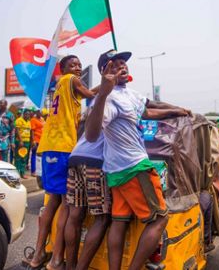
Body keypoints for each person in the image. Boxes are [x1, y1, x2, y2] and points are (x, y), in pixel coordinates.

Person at [85, 49, 189, 270]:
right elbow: (92, 135)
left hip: (117, 171)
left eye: (124, 63)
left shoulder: (129, 94)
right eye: (115, 65)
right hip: (134, 167)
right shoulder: (109, 99)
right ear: (105, 72)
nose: (123, 67)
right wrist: (102, 94)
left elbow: (148, 112)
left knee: (119, 221)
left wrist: (177, 110)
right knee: (160, 219)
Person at [25, 55, 98, 270]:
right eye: (72, 64)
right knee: (67, 202)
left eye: (79, 65)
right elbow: (93, 94)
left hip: (49, 147)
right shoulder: (70, 80)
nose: (77, 67)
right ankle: (56, 259)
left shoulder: (61, 87)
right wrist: (109, 80)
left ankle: (39, 254)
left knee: (53, 201)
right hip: (62, 146)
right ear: (63, 68)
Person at [64, 132, 110, 270]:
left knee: (74, 215)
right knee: (101, 218)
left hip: (76, 156)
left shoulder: (95, 110)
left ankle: (70, 267)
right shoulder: (122, 110)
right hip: (96, 160)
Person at [15, 109, 33, 178]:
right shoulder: (19, 120)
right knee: (18, 157)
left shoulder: (29, 122)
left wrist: (31, 141)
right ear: (23, 114)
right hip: (20, 142)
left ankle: (22, 173)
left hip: (27, 142)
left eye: (28, 114)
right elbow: (17, 131)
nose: (27, 116)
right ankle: (17, 173)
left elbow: (30, 132)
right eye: (26, 114)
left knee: (24, 158)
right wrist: (20, 141)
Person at [30, 109, 46, 176]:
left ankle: (39, 171)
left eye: (41, 112)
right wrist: (33, 140)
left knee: (41, 156)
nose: (40, 113)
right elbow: (32, 131)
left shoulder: (42, 119)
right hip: (36, 140)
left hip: (42, 140)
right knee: (34, 155)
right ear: (36, 113)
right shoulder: (33, 120)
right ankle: (33, 171)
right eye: (39, 112)